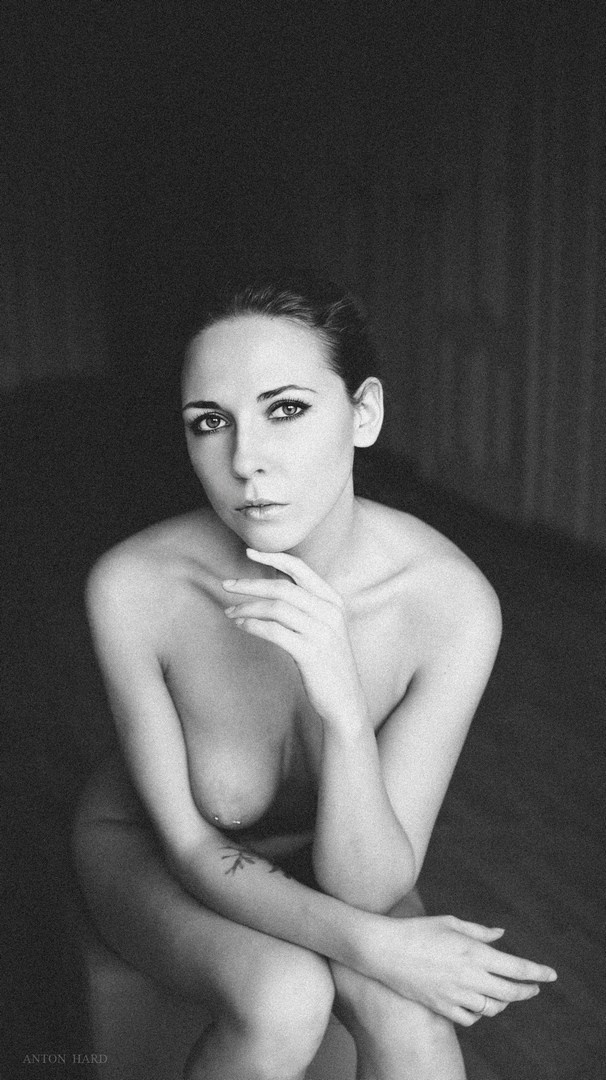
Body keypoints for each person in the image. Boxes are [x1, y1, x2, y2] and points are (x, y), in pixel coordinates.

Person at [72, 270, 557, 1080]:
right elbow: (191, 846)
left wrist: (345, 713)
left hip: (334, 868)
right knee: (284, 997)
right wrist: (376, 948)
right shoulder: (135, 587)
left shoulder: (450, 603)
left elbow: (369, 886)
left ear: (363, 414)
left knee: (413, 1019)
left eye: (286, 409)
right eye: (209, 422)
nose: (245, 460)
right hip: (151, 849)